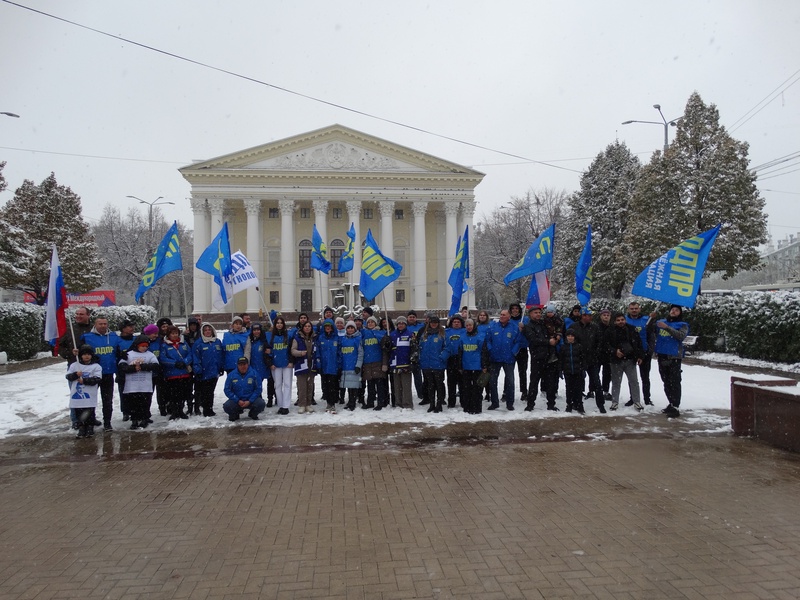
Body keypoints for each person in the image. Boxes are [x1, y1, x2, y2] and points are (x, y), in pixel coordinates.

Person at [80, 316, 120, 431]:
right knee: (90, 399)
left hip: (108, 373)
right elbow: (81, 352)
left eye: (105, 324)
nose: (103, 326)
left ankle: (107, 422)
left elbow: (118, 353)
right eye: (100, 324)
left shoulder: (113, 336)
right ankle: (90, 422)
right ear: (95, 325)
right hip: (92, 374)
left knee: (107, 400)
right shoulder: (87, 337)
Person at [653, 305, 689, 417]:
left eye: (676, 310)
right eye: (672, 310)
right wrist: (652, 318)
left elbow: (680, 336)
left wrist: (667, 327)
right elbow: (649, 328)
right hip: (662, 356)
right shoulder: (661, 322)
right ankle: (671, 403)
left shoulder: (683, 325)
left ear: (680, 313)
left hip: (674, 357)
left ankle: (676, 406)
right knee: (666, 382)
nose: (673, 311)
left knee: (675, 382)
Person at [117, 335, 160, 429]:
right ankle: (134, 420)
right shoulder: (129, 354)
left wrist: (143, 367)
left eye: (146, 346)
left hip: (145, 384)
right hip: (132, 385)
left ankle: (144, 418)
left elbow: (156, 365)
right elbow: (121, 366)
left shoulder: (150, 354)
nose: (144, 348)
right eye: (142, 346)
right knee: (133, 403)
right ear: (137, 345)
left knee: (145, 402)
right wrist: (132, 368)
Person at [570, 308, 607, 414]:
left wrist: (595, 353)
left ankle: (601, 404)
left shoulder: (595, 327)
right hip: (579, 359)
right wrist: (578, 354)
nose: (590, 317)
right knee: (578, 382)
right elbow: (570, 341)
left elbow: (600, 342)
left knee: (596, 382)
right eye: (588, 315)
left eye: (591, 315)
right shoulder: (574, 327)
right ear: (583, 316)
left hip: (592, 359)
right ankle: (576, 403)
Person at [606, 312, 644, 411]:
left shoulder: (632, 329)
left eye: (622, 320)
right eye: (618, 320)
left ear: (625, 320)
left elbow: (638, 343)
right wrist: (615, 351)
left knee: (634, 381)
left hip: (630, 360)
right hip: (616, 361)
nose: (620, 322)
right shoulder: (610, 331)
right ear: (614, 321)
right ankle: (615, 402)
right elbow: (606, 345)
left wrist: (640, 356)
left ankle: (637, 402)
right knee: (616, 382)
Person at [486, 309, 523, 411]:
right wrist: (490, 350)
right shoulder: (493, 327)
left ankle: (510, 403)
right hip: (495, 358)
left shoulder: (514, 328)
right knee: (492, 381)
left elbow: (518, 341)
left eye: (504, 315)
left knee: (510, 381)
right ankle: (494, 403)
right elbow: (488, 340)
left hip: (508, 358)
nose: (502, 316)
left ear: (509, 317)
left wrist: (513, 352)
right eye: (501, 314)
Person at [522, 306, 556, 411]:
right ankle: (530, 404)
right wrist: (547, 342)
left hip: (549, 357)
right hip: (537, 357)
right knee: (534, 382)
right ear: (530, 314)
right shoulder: (528, 326)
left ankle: (551, 404)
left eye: (539, 312)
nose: (538, 314)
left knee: (550, 382)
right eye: (535, 312)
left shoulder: (544, 324)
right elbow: (533, 340)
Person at [66, 345, 103, 438]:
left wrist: (85, 381)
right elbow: (68, 376)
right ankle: (81, 427)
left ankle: (90, 427)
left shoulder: (96, 366)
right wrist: (75, 375)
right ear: (80, 355)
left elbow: (97, 379)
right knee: (79, 411)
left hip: (89, 393)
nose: (86, 356)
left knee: (89, 411)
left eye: (89, 354)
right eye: (84, 354)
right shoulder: (75, 365)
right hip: (77, 394)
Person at [416, 314, 449, 413]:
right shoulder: (425, 334)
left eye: (435, 323)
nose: (433, 324)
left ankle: (439, 404)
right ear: (429, 323)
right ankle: (431, 404)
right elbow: (420, 347)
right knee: (430, 385)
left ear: (438, 324)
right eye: (432, 323)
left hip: (438, 364)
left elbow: (447, 348)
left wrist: (441, 357)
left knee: (438, 385)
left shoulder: (442, 334)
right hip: (426, 364)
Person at [159, 325, 194, 420]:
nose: (174, 335)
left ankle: (181, 410)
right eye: (172, 333)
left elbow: (190, 354)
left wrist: (185, 362)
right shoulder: (164, 345)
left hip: (184, 373)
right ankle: (174, 411)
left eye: (176, 333)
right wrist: (174, 363)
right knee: (173, 395)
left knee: (182, 394)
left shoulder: (183, 343)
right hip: (172, 374)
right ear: (168, 334)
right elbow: (162, 358)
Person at [626, 301, 655, 406]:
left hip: (645, 353)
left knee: (645, 378)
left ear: (639, 309)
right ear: (628, 309)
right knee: (632, 378)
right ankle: (632, 398)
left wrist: (650, 350)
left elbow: (651, 335)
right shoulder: (625, 320)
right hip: (630, 353)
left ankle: (647, 398)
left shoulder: (647, 320)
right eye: (632, 308)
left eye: (636, 308)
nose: (634, 310)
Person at [193, 323, 224, 417]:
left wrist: (221, 367)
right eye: (205, 330)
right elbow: (196, 358)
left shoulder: (217, 342)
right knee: (205, 392)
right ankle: (206, 409)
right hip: (204, 372)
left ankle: (210, 408)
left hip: (214, 372)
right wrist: (197, 370)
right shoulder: (198, 343)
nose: (207, 332)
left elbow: (221, 355)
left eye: (209, 330)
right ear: (202, 332)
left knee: (211, 391)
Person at [459, 318, 489, 414]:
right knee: (467, 388)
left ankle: (477, 407)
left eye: (470, 325)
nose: (468, 327)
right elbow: (460, 352)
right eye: (467, 325)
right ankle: (467, 407)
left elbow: (484, 352)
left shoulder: (480, 337)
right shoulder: (462, 337)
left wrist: (484, 365)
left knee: (477, 388)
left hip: (477, 366)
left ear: (474, 326)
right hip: (466, 366)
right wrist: (460, 365)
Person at [266, 316, 293, 415]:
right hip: (275, 365)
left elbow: (291, 349)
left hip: (287, 364)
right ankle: (281, 405)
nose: (279, 325)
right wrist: (270, 363)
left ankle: (286, 406)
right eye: (277, 323)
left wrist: (291, 361)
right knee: (277, 385)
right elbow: (268, 351)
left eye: (281, 323)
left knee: (287, 385)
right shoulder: (271, 337)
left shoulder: (288, 336)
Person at [223, 357, 265, 421]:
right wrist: (237, 400)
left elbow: (258, 389)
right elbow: (227, 389)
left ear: (247, 365)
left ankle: (253, 414)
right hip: (237, 400)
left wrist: (250, 400)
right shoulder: (231, 375)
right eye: (240, 365)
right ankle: (235, 414)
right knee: (227, 406)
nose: (242, 367)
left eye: (244, 364)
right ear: (237, 365)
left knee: (261, 404)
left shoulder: (254, 374)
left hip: (250, 400)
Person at [360, 316, 388, 410]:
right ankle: (370, 402)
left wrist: (384, 363)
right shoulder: (363, 333)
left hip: (378, 362)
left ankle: (381, 402)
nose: (370, 323)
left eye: (372, 322)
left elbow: (385, 349)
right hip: (367, 362)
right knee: (370, 384)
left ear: (376, 323)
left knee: (379, 384)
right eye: (369, 322)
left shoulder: (381, 333)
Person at [315, 319, 341, 414]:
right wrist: (318, 363)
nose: (327, 328)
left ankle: (332, 403)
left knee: (332, 386)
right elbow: (317, 352)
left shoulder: (336, 338)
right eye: (326, 326)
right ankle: (328, 403)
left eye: (329, 326)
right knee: (325, 386)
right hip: (324, 366)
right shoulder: (321, 338)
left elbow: (339, 352)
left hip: (333, 366)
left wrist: (339, 364)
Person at [388, 316, 414, 409]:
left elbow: (413, 349)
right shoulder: (392, 335)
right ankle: (398, 403)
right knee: (397, 385)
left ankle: (407, 404)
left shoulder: (410, 334)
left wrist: (412, 361)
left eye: (402, 323)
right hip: (395, 363)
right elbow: (389, 348)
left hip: (406, 363)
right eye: (399, 323)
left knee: (406, 385)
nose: (400, 325)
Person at [244, 322, 270, 414]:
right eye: (254, 330)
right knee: (253, 385)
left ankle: (260, 403)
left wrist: (268, 353)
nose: (256, 332)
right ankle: (256, 402)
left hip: (262, 367)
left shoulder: (263, 341)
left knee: (259, 385)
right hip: (252, 367)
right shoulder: (250, 341)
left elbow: (269, 353)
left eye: (258, 330)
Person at [291, 320, 317, 413]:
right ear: (303, 328)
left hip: (312, 364)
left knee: (310, 385)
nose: (307, 328)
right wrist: (300, 353)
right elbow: (293, 350)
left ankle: (308, 403)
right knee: (302, 385)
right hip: (301, 364)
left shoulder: (314, 337)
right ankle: (302, 404)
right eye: (305, 326)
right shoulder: (297, 338)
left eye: (309, 326)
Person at [559, 330, 586, 414]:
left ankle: (579, 405)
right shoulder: (563, 347)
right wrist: (560, 370)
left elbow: (583, 359)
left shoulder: (579, 346)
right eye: (568, 336)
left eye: (572, 336)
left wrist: (583, 369)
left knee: (578, 389)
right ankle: (569, 404)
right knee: (569, 389)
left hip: (578, 371)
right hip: (568, 371)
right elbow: (561, 360)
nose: (570, 338)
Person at [338, 321, 363, 411]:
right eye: (348, 328)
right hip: (345, 366)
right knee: (348, 385)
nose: (350, 329)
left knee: (354, 386)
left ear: (355, 329)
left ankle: (353, 402)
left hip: (354, 366)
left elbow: (360, 353)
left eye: (352, 328)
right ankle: (349, 401)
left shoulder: (358, 339)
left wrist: (358, 365)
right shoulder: (343, 339)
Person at [508, 303, 529, 405]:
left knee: (522, 371)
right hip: (510, 349)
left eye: (517, 309)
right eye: (513, 309)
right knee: (508, 372)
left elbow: (530, 332)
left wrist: (524, 329)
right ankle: (506, 391)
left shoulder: (525, 320)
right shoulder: (508, 320)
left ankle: (524, 391)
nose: (515, 310)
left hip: (522, 348)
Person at [115, 320, 136, 422]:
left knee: (134, 392)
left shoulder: (136, 339)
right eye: (129, 326)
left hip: (135, 369)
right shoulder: (117, 340)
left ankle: (134, 411)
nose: (132, 328)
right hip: (122, 370)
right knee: (123, 391)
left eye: (132, 326)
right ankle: (125, 412)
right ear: (123, 329)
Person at [445, 315, 465, 408]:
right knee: (451, 381)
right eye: (454, 322)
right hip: (451, 359)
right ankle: (451, 401)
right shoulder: (446, 332)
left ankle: (463, 400)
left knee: (462, 381)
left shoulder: (465, 332)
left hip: (462, 358)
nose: (456, 324)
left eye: (458, 322)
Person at [406, 311, 424, 400]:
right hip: (406, 353)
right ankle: (406, 394)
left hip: (418, 354)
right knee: (406, 376)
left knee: (418, 376)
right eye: (410, 317)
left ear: (416, 318)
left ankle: (421, 393)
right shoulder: (405, 327)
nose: (412, 318)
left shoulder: (421, 326)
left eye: (413, 317)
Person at [596, 309, 613, 401]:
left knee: (607, 374)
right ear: (601, 316)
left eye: (607, 315)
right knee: (595, 373)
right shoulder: (596, 327)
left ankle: (605, 390)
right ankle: (593, 390)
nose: (606, 316)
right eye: (604, 315)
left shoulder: (612, 327)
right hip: (598, 354)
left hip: (609, 354)